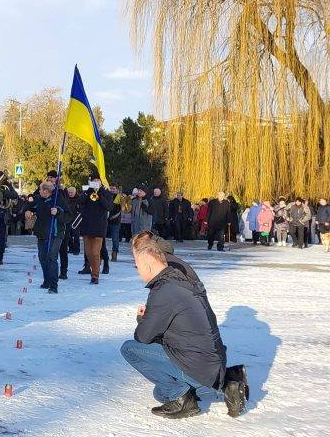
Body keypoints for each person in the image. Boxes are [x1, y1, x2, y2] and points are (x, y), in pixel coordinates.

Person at [121, 232, 247, 419]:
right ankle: (227, 383)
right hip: (210, 358)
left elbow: (142, 337)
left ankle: (186, 397)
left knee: (130, 350)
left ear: (147, 263)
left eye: (137, 265)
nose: (137, 270)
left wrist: (144, 320)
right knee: (161, 393)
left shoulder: (164, 290)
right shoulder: (178, 275)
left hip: (199, 362)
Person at [28, 181, 70, 294]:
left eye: (40, 190)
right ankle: (47, 280)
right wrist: (28, 210)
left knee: (52, 257)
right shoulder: (39, 199)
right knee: (42, 257)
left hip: (55, 233)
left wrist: (58, 212)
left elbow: (68, 216)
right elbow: (31, 206)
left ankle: (53, 285)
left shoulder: (58, 199)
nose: (39, 191)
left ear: (46, 191)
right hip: (42, 233)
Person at [77, 174, 113, 284]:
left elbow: (109, 207)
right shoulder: (87, 192)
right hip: (87, 226)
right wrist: (88, 190)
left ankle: (95, 276)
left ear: (101, 182)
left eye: (98, 180)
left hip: (99, 226)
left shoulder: (106, 192)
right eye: (94, 180)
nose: (96, 182)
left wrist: (100, 193)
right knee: (88, 253)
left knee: (95, 252)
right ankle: (94, 269)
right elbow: (80, 201)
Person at [0, 171, 17, 265]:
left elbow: (14, 195)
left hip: (3, 215)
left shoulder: (7, 186)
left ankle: (0, 257)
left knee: (1, 238)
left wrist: (2, 192)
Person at [107, 186, 123, 261]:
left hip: (115, 221)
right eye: (111, 189)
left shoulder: (120, 197)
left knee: (115, 238)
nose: (112, 190)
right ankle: (102, 254)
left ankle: (114, 254)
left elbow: (124, 207)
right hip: (105, 220)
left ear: (116, 190)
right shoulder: (106, 195)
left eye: (114, 189)